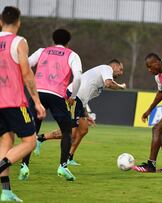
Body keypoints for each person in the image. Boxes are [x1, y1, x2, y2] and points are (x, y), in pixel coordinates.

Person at [33, 60, 126, 166]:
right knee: (71, 132)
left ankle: (69, 157)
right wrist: (120, 86)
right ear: (114, 66)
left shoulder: (100, 77)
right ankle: (40, 138)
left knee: (83, 129)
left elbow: (86, 95)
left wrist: (86, 114)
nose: (121, 72)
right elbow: (109, 83)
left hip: (79, 101)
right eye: (120, 69)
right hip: (73, 97)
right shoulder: (106, 68)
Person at [20, 28, 82, 181]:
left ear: (53, 40)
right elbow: (78, 77)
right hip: (57, 95)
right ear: (68, 42)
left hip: (38, 93)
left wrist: (32, 83)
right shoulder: (72, 55)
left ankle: (24, 166)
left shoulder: (42, 51)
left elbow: (25, 65)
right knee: (67, 131)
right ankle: (63, 166)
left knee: (32, 131)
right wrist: (73, 96)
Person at [0, 6, 46, 202]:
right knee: (30, 141)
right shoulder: (19, 41)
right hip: (13, 103)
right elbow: (27, 73)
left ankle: (6, 192)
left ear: (1, 21)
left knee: (6, 142)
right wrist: (37, 101)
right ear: (18, 23)